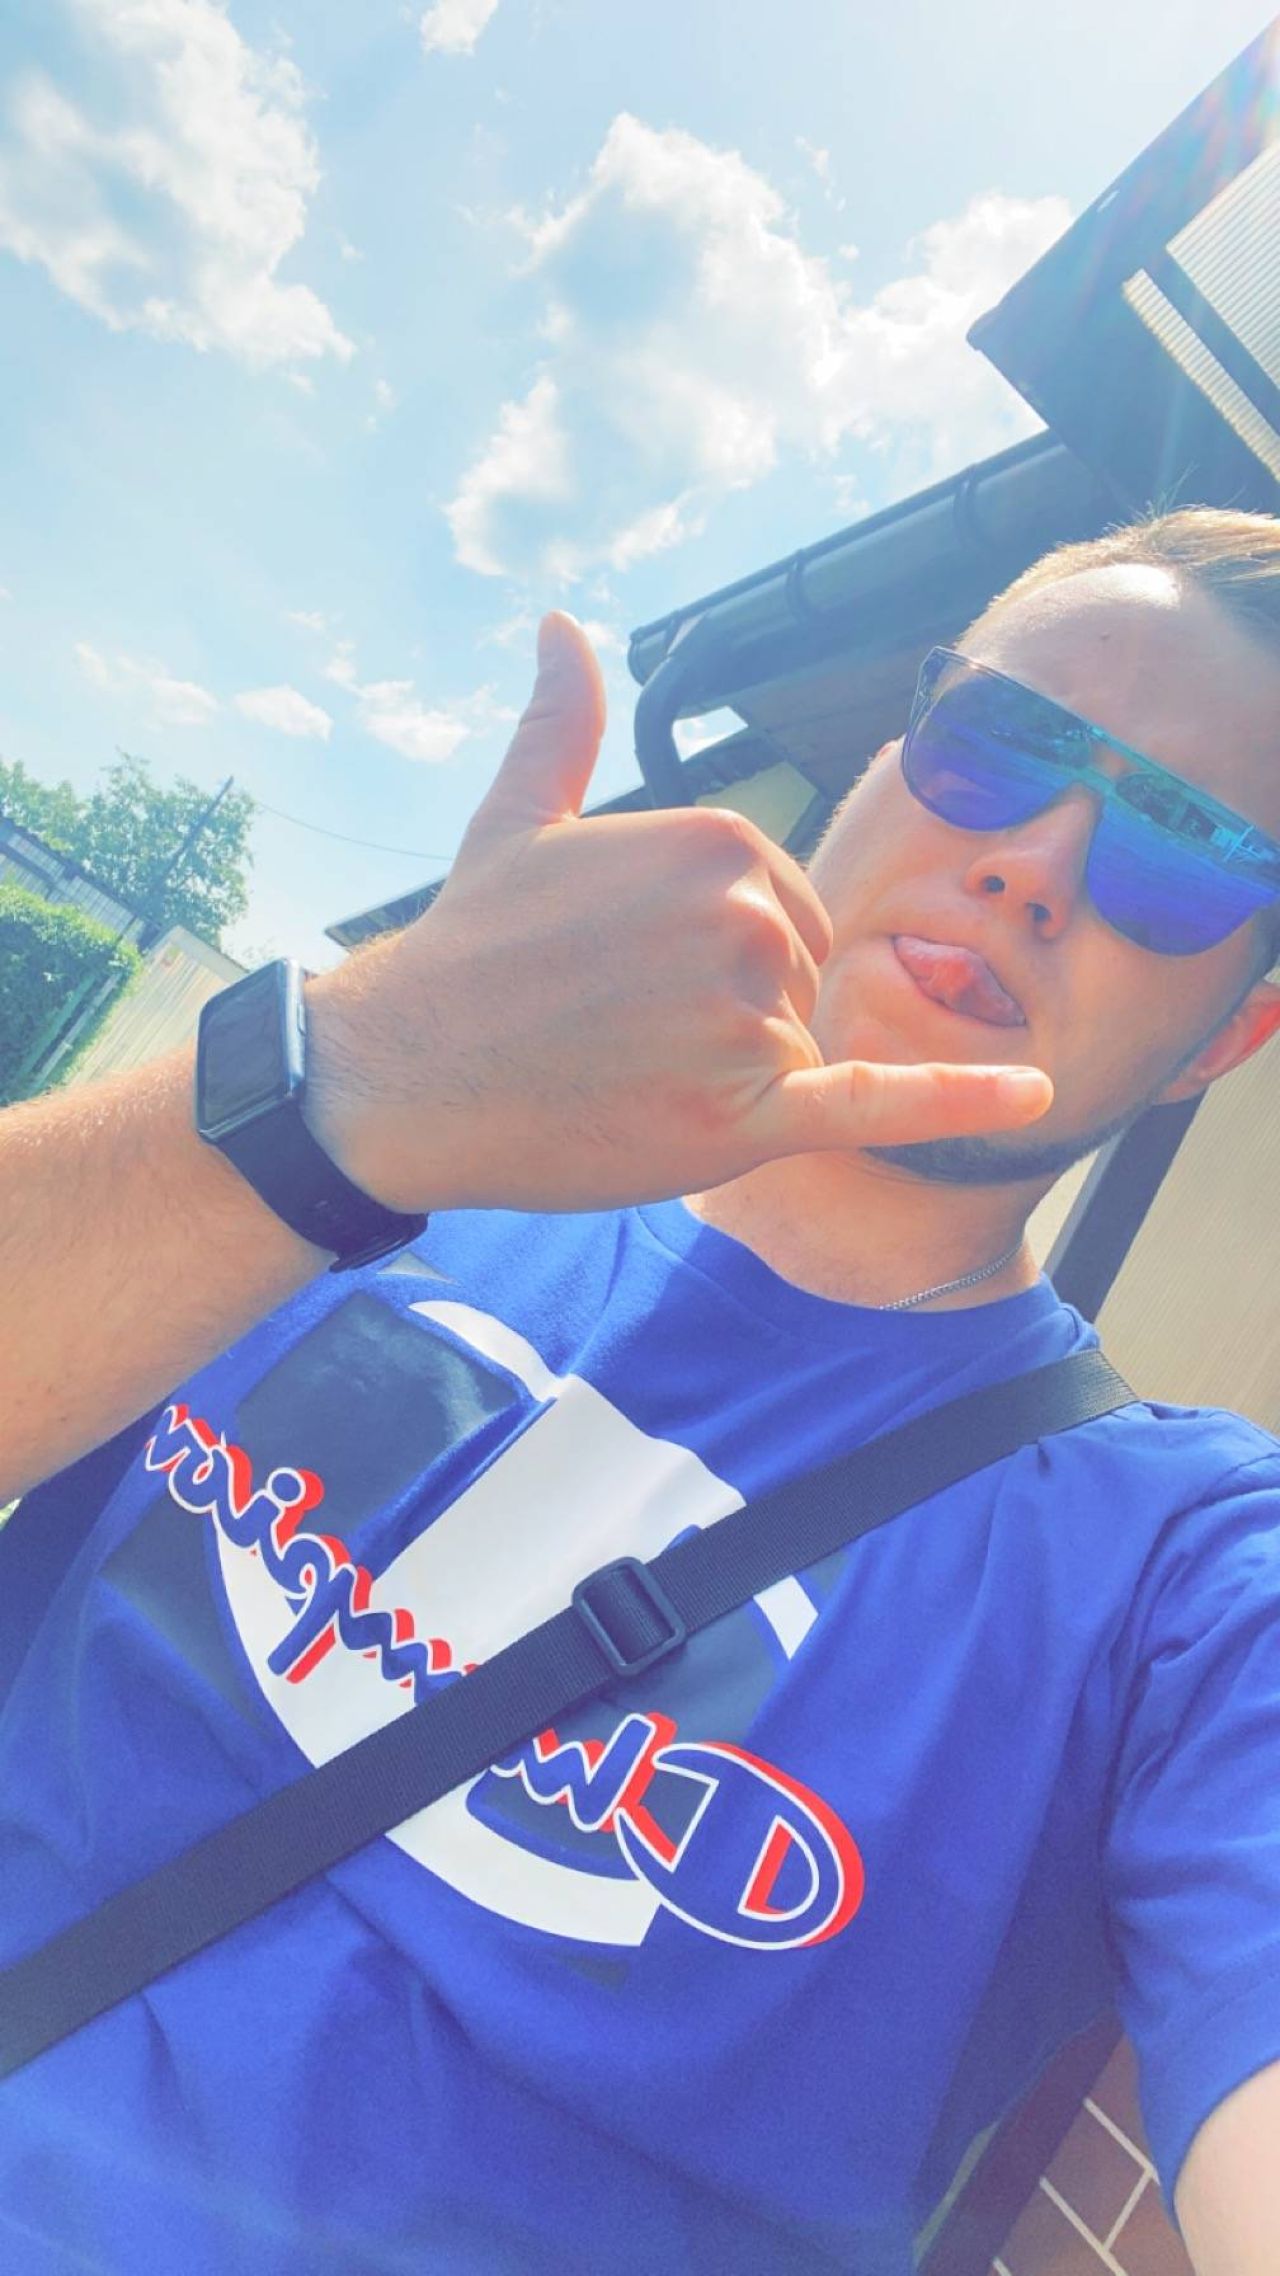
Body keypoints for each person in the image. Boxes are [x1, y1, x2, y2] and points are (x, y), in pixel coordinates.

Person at [2, 506, 1280, 2276]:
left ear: (1230, 1034)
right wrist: (359, 1069)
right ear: (884, 765)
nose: (1039, 859)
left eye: (1188, 848)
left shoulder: (1178, 1576)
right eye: (1007, 742)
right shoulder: (387, 1152)